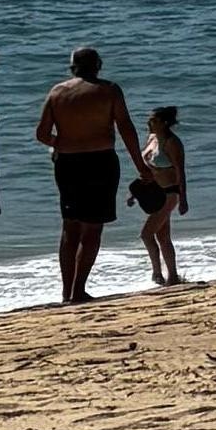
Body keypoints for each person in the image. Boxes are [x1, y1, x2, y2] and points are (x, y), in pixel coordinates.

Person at [37, 45, 143, 309]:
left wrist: (59, 144)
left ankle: (66, 291)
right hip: (100, 160)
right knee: (93, 227)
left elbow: (41, 134)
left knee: (70, 226)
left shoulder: (57, 92)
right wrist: (141, 165)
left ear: (72, 67)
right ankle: (79, 289)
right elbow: (126, 129)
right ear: (99, 65)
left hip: (67, 163)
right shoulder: (109, 90)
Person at [133, 106, 191, 289]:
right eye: (149, 120)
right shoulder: (152, 139)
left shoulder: (172, 142)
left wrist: (183, 199)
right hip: (154, 193)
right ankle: (172, 277)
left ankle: (157, 273)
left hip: (170, 193)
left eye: (154, 120)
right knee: (163, 236)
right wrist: (134, 193)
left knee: (146, 234)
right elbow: (148, 170)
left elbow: (180, 172)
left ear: (164, 123)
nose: (149, 123)